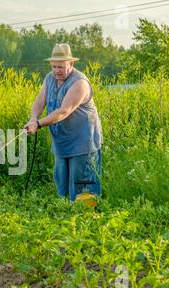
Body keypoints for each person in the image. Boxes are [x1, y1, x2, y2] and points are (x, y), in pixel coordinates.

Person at [24, 43, 103, 202]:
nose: (56, 71)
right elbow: (40, 101)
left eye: (60, 67)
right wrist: (33, 118)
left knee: (83, 191)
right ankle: (67, 219)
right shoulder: (49, 78)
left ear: (71, 64)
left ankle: (87, 221)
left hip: (83, 145)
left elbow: (64, 111)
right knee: (63, 190)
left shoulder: (79, 83)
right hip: (62, 144)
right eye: (54, 67)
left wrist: (39, 124)